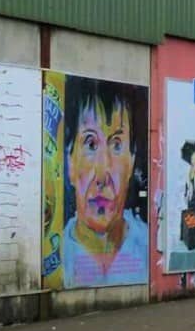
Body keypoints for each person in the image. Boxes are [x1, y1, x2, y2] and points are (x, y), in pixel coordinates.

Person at [61, 77, 148, 287]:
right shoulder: (57, 257)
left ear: (132, 160)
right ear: (70, 161)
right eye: (90, 144)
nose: (102, 175)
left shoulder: (147, 245)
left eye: (116, 145)